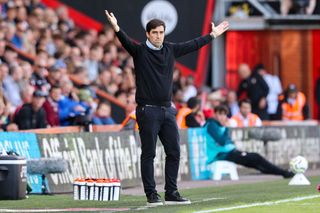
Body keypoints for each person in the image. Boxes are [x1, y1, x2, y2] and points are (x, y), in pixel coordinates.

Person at [105, 10, 229, 206]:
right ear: (147, 34)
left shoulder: (170, 49)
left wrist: (212, 35)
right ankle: (151, 195)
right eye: (154, 32)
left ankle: (171, 192)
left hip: (167, 110)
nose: (158, 36)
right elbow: (125, 41)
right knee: (149, 153)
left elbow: (192, 45)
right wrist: (116, 27)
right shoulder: (140, 51)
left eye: (161, 32)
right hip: (147, 110)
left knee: (174, 152)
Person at [205, 105, 294, 178]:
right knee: (255, 158)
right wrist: (226, 128)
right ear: (215, 114)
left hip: (229, 153)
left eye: (224, 114)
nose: (222, 117)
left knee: (256, 161)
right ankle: (283, 172)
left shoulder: (218, 125)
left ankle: (281, 172)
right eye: (220, 114)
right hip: (221, 155)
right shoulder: (211, 125)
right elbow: (222, 142)